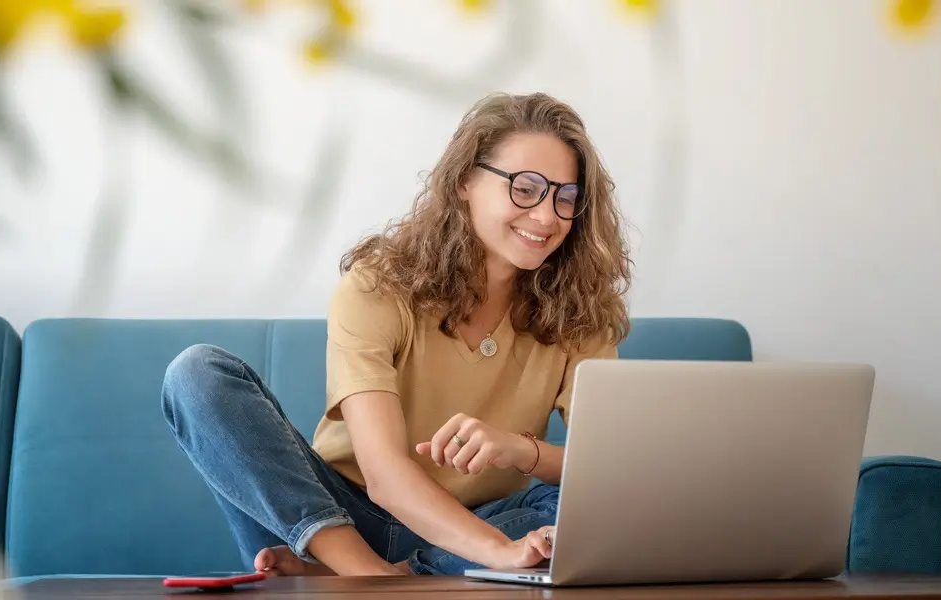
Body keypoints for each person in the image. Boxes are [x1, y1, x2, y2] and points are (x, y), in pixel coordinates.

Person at [161, 91, 632, 577]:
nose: (548, 215)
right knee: (197, 374)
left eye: (565, 197)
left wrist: (520, 451)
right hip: (336, 518)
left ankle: (391, 576)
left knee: (594, 505)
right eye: (526, 187)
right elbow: (385, 477)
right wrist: (496, 552)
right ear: (466, 180)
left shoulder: (581, 312)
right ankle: (363, 572)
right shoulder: (379, 286)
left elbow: (613, 466)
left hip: (480, 523)